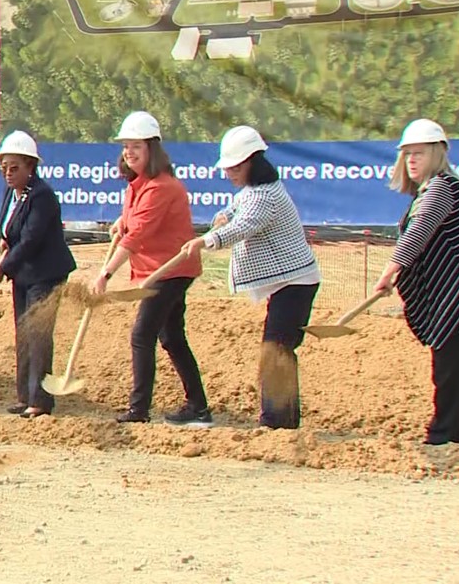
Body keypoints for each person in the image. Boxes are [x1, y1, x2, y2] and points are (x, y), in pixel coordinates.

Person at [182, 125, 320, 430]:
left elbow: (244, 226)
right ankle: (281, 421)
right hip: (288, 283)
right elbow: (234, 212)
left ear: (251, 163)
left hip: (296, 283)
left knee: (276, 349)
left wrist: (205, 241)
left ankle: (276, 422)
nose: (229, 173)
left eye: (234, 167)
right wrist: (222, 217)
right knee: (278, 348)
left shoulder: (265, 197)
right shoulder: (253, 192)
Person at [374, 119, 459, 445]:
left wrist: (389, 271)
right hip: (450, 290)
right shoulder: (425, 191)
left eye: (419, 153)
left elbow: (419, 232)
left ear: (437, 153)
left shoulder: (443, 187)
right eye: (407, 154)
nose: (411, 160)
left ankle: (441, 437)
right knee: (454, 366)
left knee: (447, 366)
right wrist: (397, 273)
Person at [90, 111, 210, 426]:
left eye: (136, 147)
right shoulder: (137, 185)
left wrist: (106, 274)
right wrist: (121, 220)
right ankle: (198, 406)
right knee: (171, 338)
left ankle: (139, 409)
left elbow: (138, 235)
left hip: (170, 269)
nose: (129, 152)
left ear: (152, 150)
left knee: (142, 334)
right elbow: (132, 221)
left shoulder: (162, 187)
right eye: (126, 146)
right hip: (159, 269)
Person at [0, 130, 76, 418]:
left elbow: (31, 239)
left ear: (31, 166)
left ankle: (40, 401)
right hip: (24, 274)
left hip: (46, 273)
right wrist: (3, 240)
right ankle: (24, 396)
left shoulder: (42, 196)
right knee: (23, 333)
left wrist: (3, 268)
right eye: (4, 167)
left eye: (15, 167)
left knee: (38, 334)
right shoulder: (12, 194)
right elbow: (10, 229)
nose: (8, 173)